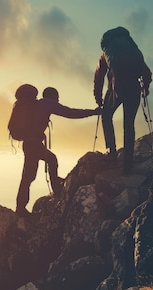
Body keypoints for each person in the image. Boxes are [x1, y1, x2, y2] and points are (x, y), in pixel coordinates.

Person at [16, 87, 101, 216]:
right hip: (33, 145)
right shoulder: (47, 103)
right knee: (30, 175)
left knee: (45, 164)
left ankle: (51, 190)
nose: (58, 100)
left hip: (31, 144)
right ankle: (22, 207)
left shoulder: (39, 104)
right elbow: (70, 112)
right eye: (57, 98)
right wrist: (93, 112)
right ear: (52, 97)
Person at [94, 26, 152, 174]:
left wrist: (98, 97)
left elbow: (99, 77)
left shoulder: (106, 54)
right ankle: (127, 164)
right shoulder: (132, 51)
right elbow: (147, 72)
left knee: (106, 116)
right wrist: (145, 88)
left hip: (116, 89)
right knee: (129, 125)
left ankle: (112, 152)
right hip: (133, 89)